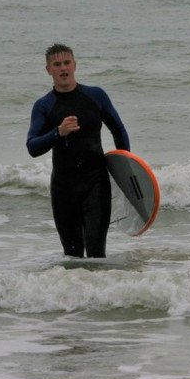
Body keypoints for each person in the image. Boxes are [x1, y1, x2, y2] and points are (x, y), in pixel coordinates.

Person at [27, 43, 130, 258]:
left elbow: (118, 130)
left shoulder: (96, 96)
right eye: (57, 64)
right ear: (48, 70)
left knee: (96, 254)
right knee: (72, 257)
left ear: (75, 65)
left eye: (67, 63)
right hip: (63, 189)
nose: (63, 68)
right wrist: (58, 132)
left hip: (96, 184)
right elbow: (32, 147)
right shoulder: (44, 105)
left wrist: (127, 170)